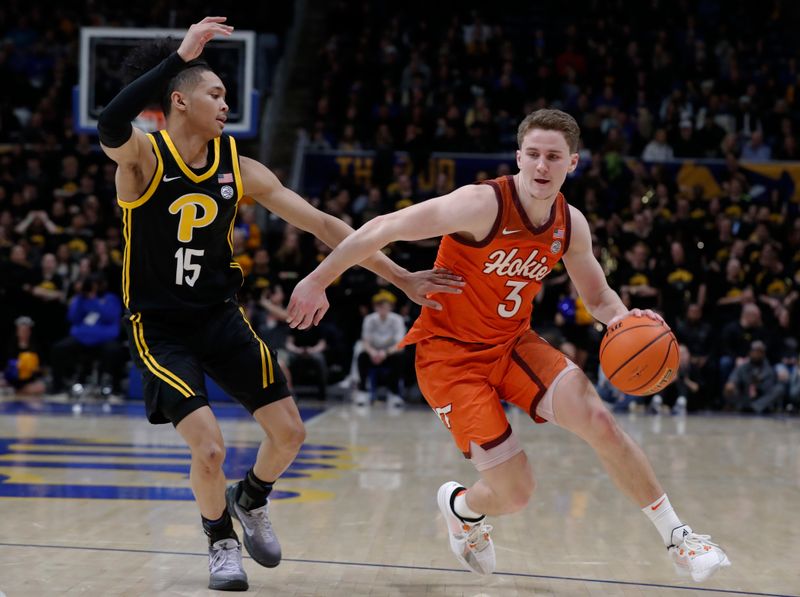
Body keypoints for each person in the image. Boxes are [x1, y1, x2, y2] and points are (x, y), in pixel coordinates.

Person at [96, 17, 462, 591]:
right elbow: (110, 120)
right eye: (214, 93)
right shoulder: (142, 158)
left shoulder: (238, 167)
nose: (225, 104)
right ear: (179, 100)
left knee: (290, 433)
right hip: (161, 328)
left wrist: (400, 278)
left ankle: (252, 498)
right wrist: (181, 55)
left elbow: (320, 223)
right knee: (209, 447)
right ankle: (219, 541)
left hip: (219, 316)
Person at [287, 109, 730, 583]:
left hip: (514, 345)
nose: (542, 166)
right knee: (516, 493)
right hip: (449, 356)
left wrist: (627, 320)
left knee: (600, 419)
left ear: (572, 163)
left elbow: (598, 297)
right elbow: (383, 227)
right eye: (533, 155)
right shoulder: (480, 204)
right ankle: (462, 508)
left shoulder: (570, 224)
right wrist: (318, 281)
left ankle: (679, 537)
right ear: (518, 157)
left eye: (553, 157)